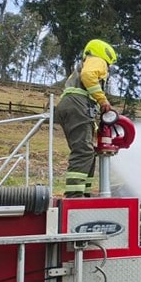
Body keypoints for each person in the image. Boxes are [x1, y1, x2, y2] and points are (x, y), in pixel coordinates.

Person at [56, 39, 117, 197]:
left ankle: (84, 194)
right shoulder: (97, 60)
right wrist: (102, 100)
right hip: (78, 104)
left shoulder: (84, 63)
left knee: (87, 152)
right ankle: (75, 197)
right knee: (83, 151)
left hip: (72, 105)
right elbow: (88, 76)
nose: (107, 68)